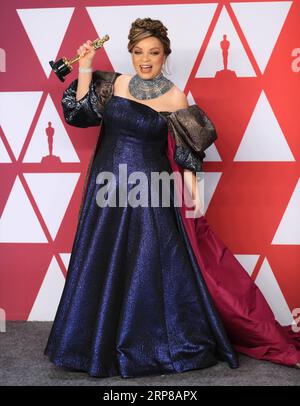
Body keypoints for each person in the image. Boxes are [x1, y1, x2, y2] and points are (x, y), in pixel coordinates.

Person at [44, 17, 300, 378]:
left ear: (165, 55)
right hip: (106, 192)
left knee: (149, 268)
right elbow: (80, 115)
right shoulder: (113, 83)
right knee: (103, 264)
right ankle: (94, 343)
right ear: (130, 53)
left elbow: (188, 152)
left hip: (151, 192)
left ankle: (155, 346)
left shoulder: (175, 96)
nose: (145, 60)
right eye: (137, 52)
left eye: (153, 53)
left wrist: (195, 196)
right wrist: (85, 67)